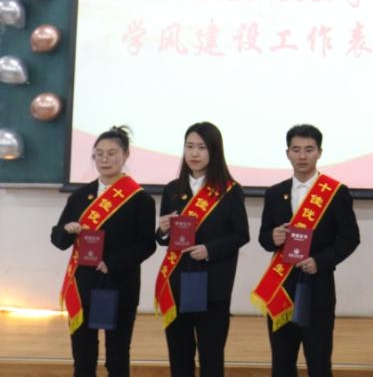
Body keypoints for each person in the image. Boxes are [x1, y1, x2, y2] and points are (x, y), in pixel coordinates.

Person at [253, 124, 360, 377]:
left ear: (320, 152)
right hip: (281, 286)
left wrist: (320, 261)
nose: (302, 156)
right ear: (287, 153)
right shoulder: (275, 193)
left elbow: (350, 238)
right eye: (296, 149)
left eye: (309, 150)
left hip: (318, 286)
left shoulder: (336, 193)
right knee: (282, 362)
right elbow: (264, 237)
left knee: (319, 361)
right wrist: (273, 237)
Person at [51, 125, 157, 377]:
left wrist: (113, 263)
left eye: (111, 153)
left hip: (119, 283)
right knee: (83, 358)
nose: (105, 159)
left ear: (125, 155)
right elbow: (58, 239)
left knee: (117, 357)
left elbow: (147, 244)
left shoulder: (140, 199)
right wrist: (67, 230)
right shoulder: (80, 196)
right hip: (83, 284)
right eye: (99, 154)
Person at [155, 121, 250, 377]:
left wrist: (209, 249)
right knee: (179, 356)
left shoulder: (229, 190)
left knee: (211, 357)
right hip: (178, 282)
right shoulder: (172, 189)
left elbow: (241, 234)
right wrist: (163, 229)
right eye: (189, 146)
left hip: (213, 284)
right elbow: (164, 239)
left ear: (214, 151)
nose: (194, 153)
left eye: (201, 147)